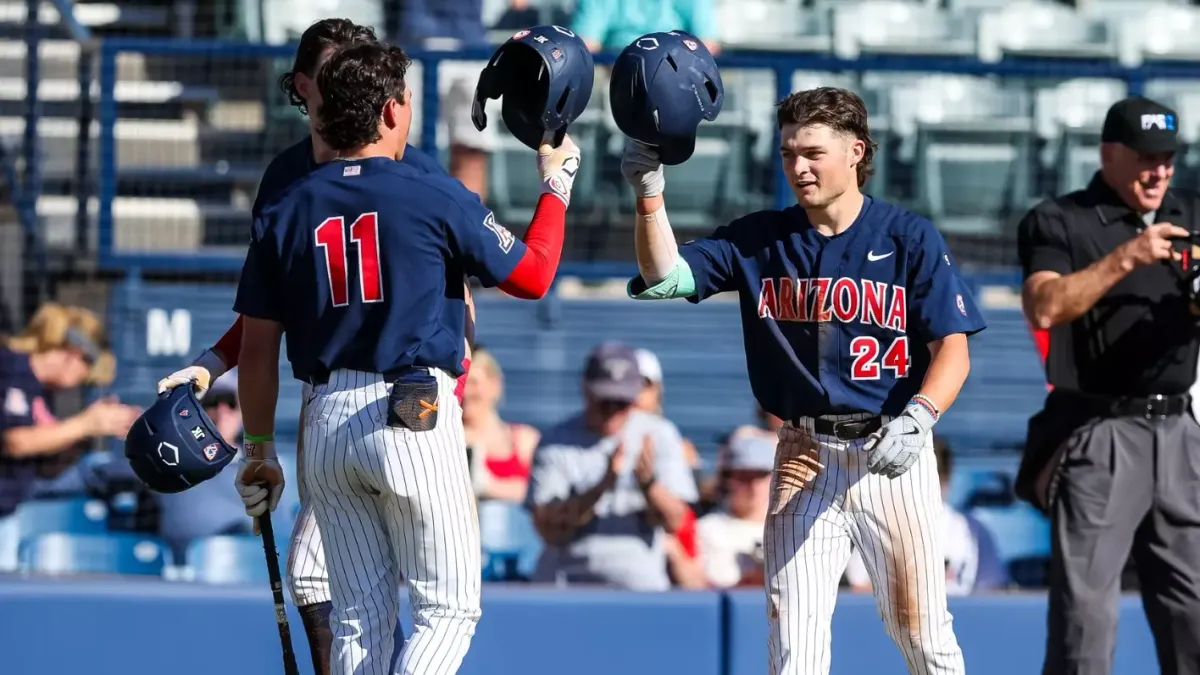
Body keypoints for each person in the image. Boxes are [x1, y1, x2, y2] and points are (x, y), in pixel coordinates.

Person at [231, 38, 581, 675]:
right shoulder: (429, 192)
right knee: (447, 613)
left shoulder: (285, 207)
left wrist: (257, 448)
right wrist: (556, 186)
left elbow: (256, 352)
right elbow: (531, 276)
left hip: (326, 420)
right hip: (410, 411)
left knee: (361, 621)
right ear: (392, 112)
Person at [154, 19, 479, 675]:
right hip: (330, 399)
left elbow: (463, 302)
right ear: (303, 86)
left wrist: (452, 391)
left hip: (409, 397)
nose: (349, 85)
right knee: (325, 584)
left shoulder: (407, 164)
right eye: (335, 72)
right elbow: (270, 311)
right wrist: (215, 362)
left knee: (401, 600)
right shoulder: (286, 179)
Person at [620, 85, 983, 671]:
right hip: (803, 452)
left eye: (813, 151)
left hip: (891, 450)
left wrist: (921, 417)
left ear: (856, 151)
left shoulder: (907, 237)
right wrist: (649, 195)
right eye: (789, 152)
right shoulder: (762, 236)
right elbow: (665, 276)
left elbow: (954, 351)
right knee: (793, 642)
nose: (799, 166)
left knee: (923, 635)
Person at [1016, 95, 1200, 675]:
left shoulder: (1191, 215)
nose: (1159, 170)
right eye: (1146, 157)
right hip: (1100, 430)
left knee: (1193, 613)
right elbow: (1044, 306)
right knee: (1086, 621)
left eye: (1168, 157)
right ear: (1109, 153)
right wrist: (1127, 257)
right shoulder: (1060, 219)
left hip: (1180, 430)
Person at [523, 341, 698, 590]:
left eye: (621, 402)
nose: (612, 410)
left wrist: (648, 485)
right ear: (586, 390)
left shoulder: (659, 434)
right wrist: (600, 487)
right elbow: (549, 529)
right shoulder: (556, 441)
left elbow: (675, 521)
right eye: (604, 400)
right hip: (566, 584)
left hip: (640, 586)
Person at [0, 303, 139, 569]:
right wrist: (85, 424)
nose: (83, 381)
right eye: (87, 373)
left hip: (8, 514)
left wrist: (89, 432)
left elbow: (44, 468)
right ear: (76, 354)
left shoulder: (42, 394)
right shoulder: (10, 367)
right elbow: (14, 442)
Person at [843, 435, 1008, 595]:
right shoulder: (874, 526)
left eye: (929, 479)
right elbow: (858, 591)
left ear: (945, 480)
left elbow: (992, 593)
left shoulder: (972, 530)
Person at [694, 432, 772, 589]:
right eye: (744, 477)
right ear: (727, 479)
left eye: (761, 476)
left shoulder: (791, 530)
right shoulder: (705, 530)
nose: (753, 486)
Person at [463, 346, 539, 503]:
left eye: (473, 382)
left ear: (494, 384)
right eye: (461, 384)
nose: (466, 392)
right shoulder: (449, 440)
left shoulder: (526, 440)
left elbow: (546, 493)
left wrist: (489, 486)